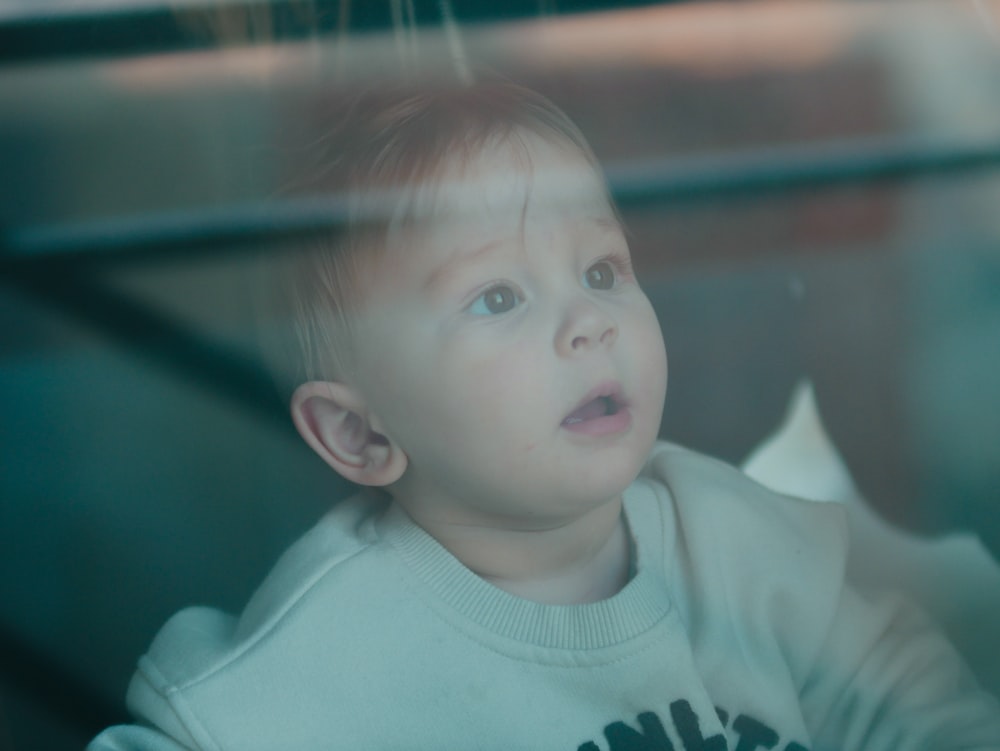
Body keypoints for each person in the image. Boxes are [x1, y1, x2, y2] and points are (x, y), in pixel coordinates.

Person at [89, 80, 1000, 751]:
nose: (589, 323)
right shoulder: (328, 651)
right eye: (497, 299)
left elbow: (901, 696)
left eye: (602, 271)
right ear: (360, 434)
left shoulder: (726, 533)